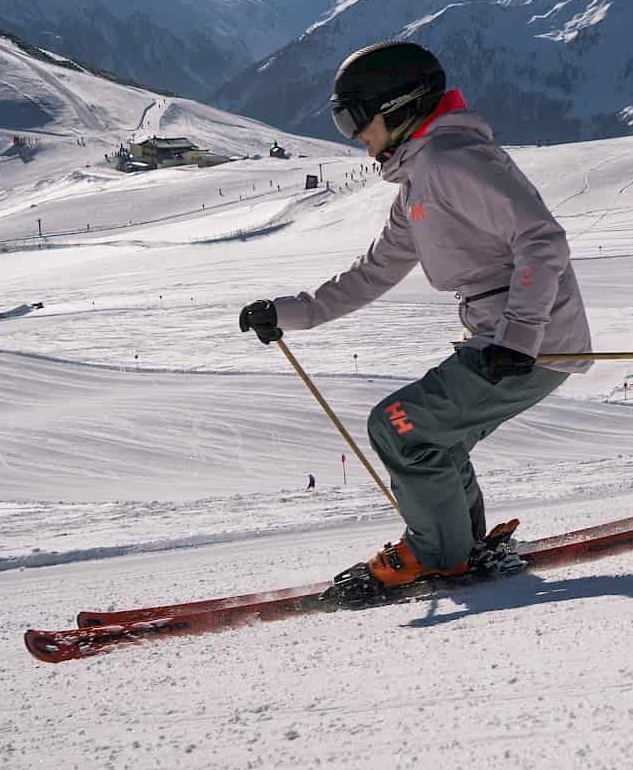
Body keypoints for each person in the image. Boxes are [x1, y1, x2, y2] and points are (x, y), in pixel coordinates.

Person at [237, 40, 591, 593]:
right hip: (503, 340)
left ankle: (439, 555)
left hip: (531, 342)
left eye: (354, 119)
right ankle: (461, 546)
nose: (354, 136)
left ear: (400, 107)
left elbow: (543, 240)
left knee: (398, 426)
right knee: (430, 438)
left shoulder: (454, 163)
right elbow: (372, 272)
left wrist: (520, 337)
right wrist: (289, 313)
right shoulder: (420, 182)